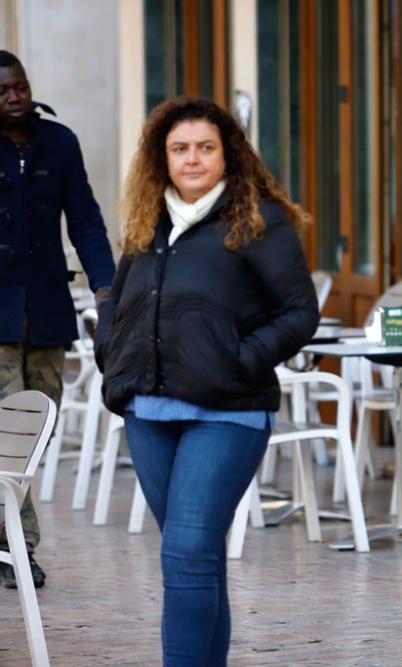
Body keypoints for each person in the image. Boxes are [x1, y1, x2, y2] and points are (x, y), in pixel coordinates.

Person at [94, 96, 318, 665]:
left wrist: (239, 359)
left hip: (228, 412)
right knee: (190, 556)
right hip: (149, 412)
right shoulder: (150, 222)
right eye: (180, 149)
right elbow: (118, 297)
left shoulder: (258, 220)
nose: (192, 159)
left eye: (205, 148)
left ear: (228, 154)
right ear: (161, 158)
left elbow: (298, 313)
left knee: (190, 549)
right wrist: (111, 350)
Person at [0, 50, 115, 589]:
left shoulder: (60, 142)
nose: (15, 97)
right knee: (8, 430)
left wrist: (105, 286)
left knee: (39, 428)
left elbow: (87, 221)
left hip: (47, 313)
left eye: (20, 86)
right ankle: (17, 547)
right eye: (3, 91)